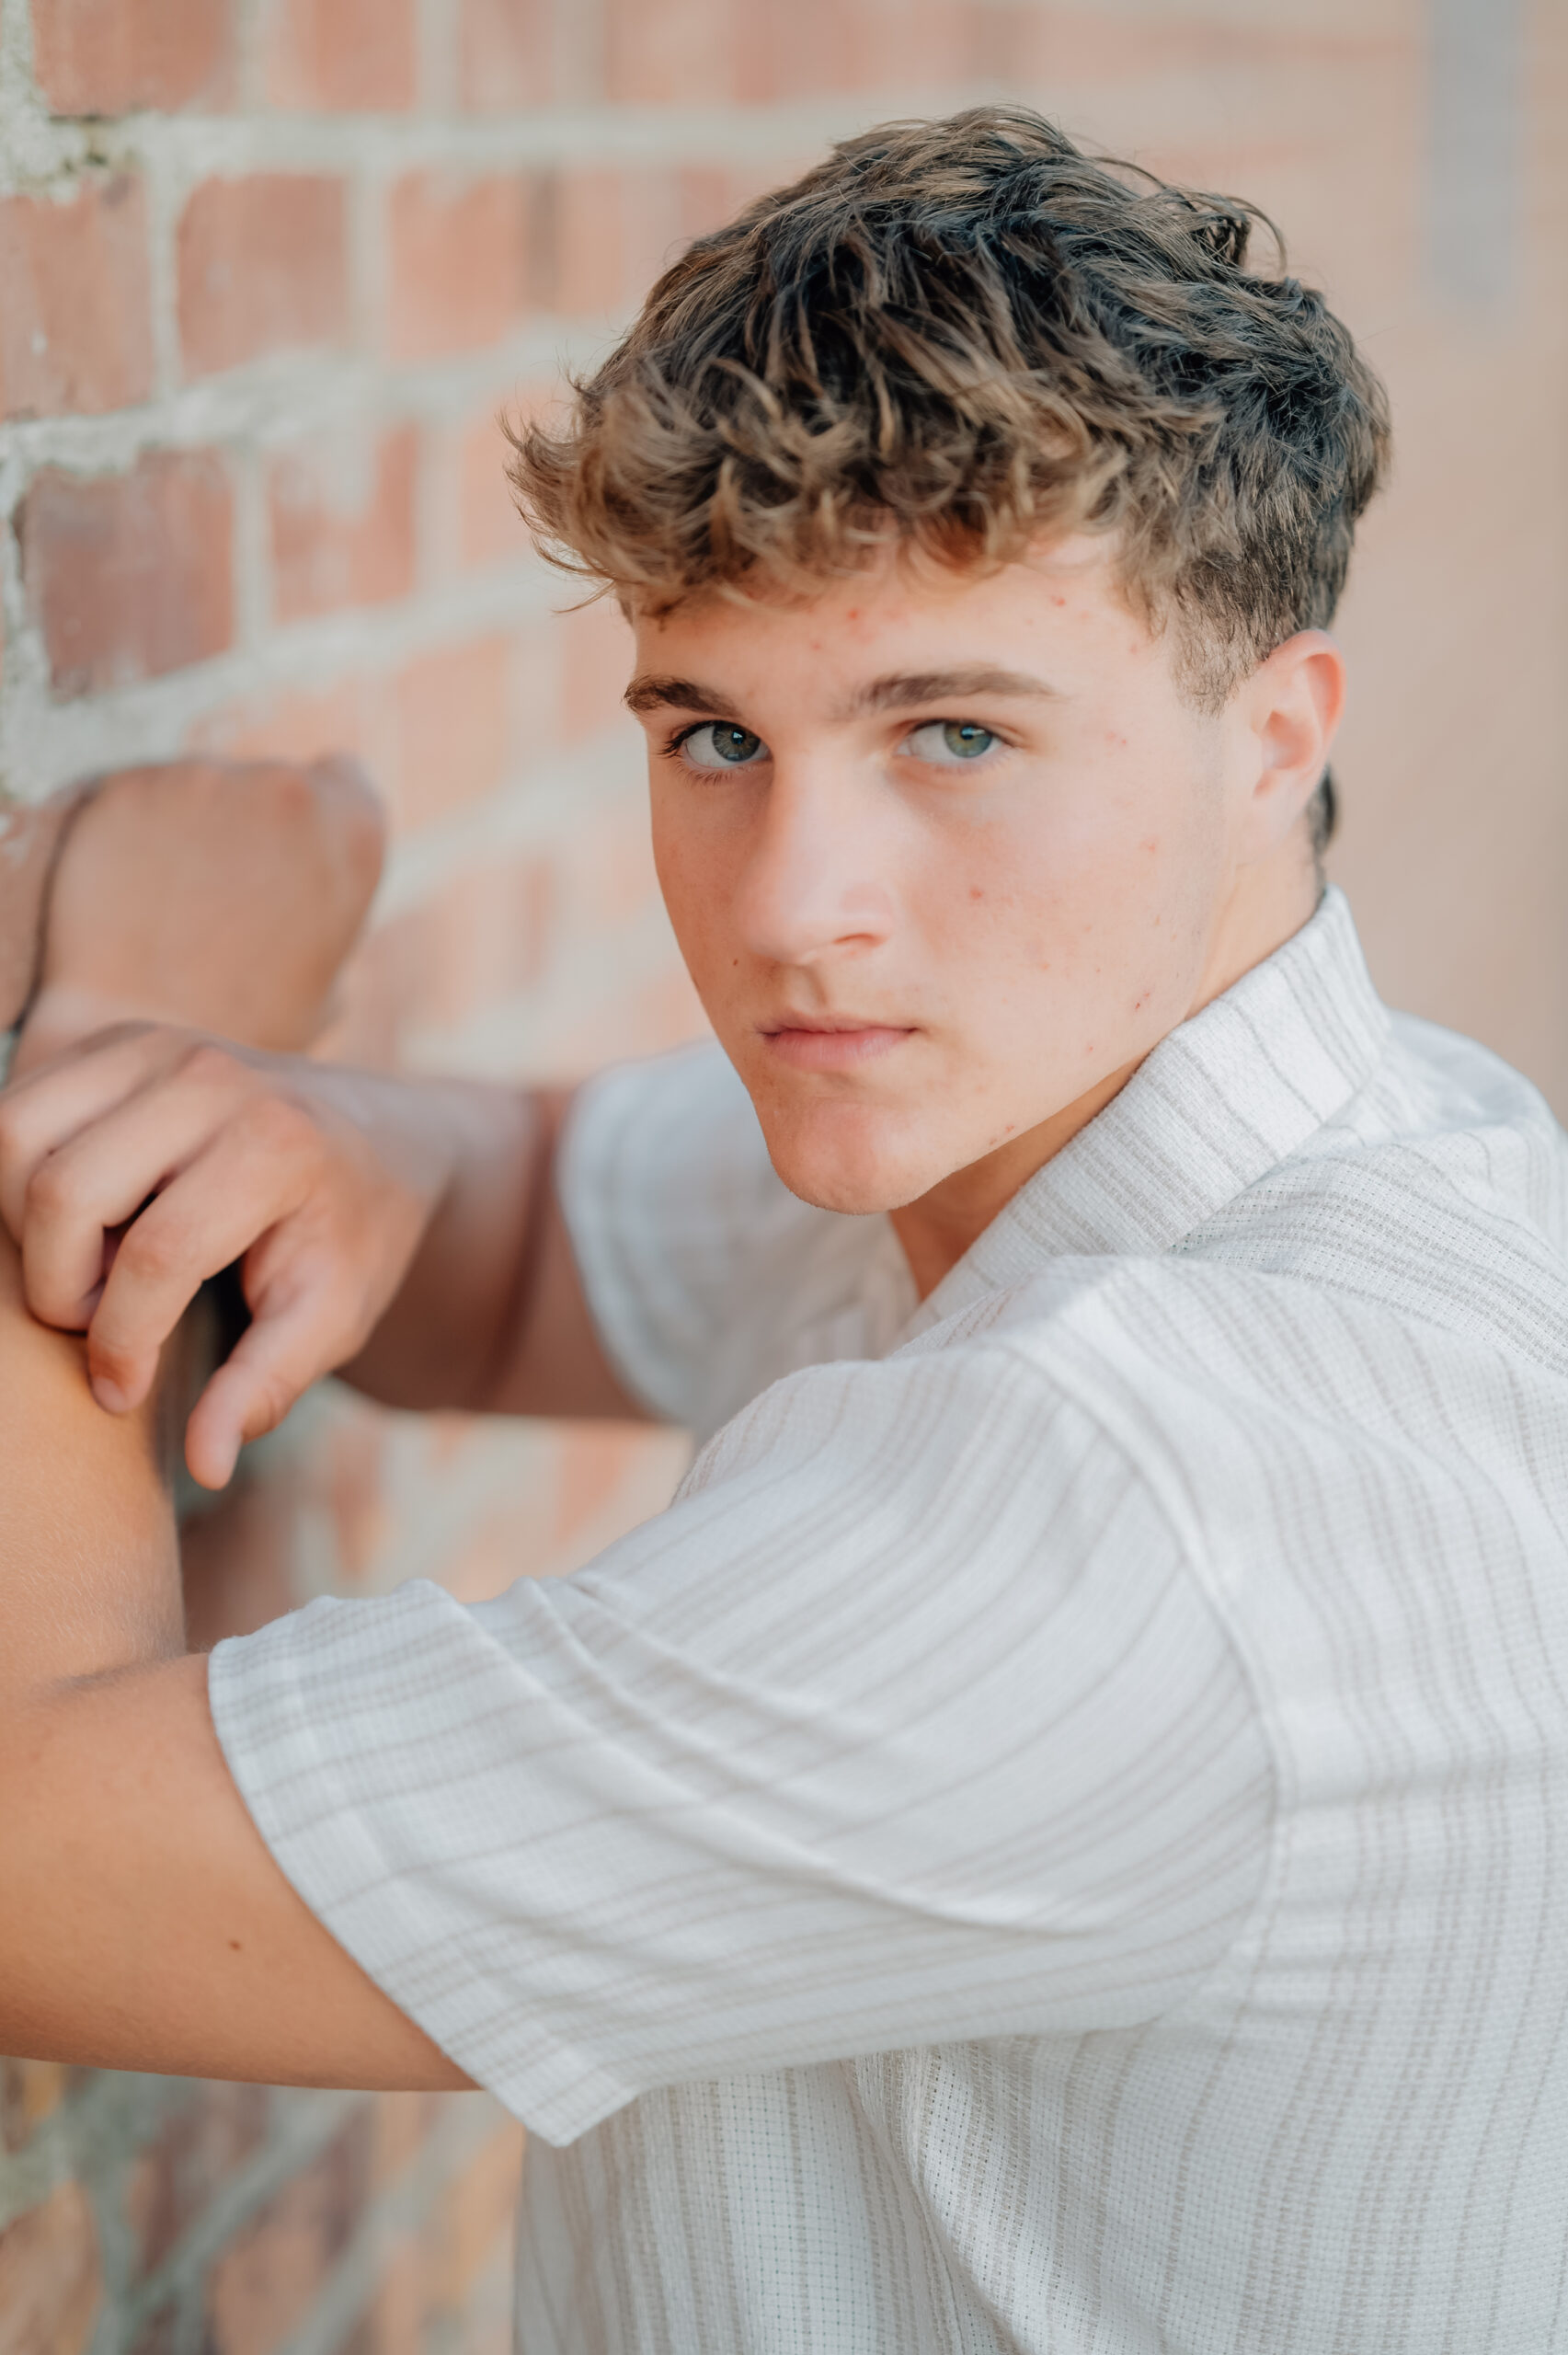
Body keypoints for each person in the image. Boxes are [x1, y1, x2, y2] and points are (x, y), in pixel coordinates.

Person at [3, 106, 1567, 2355]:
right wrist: (304, 1125)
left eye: (950, 732)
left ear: (1270, 730)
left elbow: (30, 1868)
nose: (794, 914)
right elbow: (538, 1233)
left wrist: (119, 1026)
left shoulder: (1137, 1488)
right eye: (714, 737)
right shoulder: (1202, 1115)